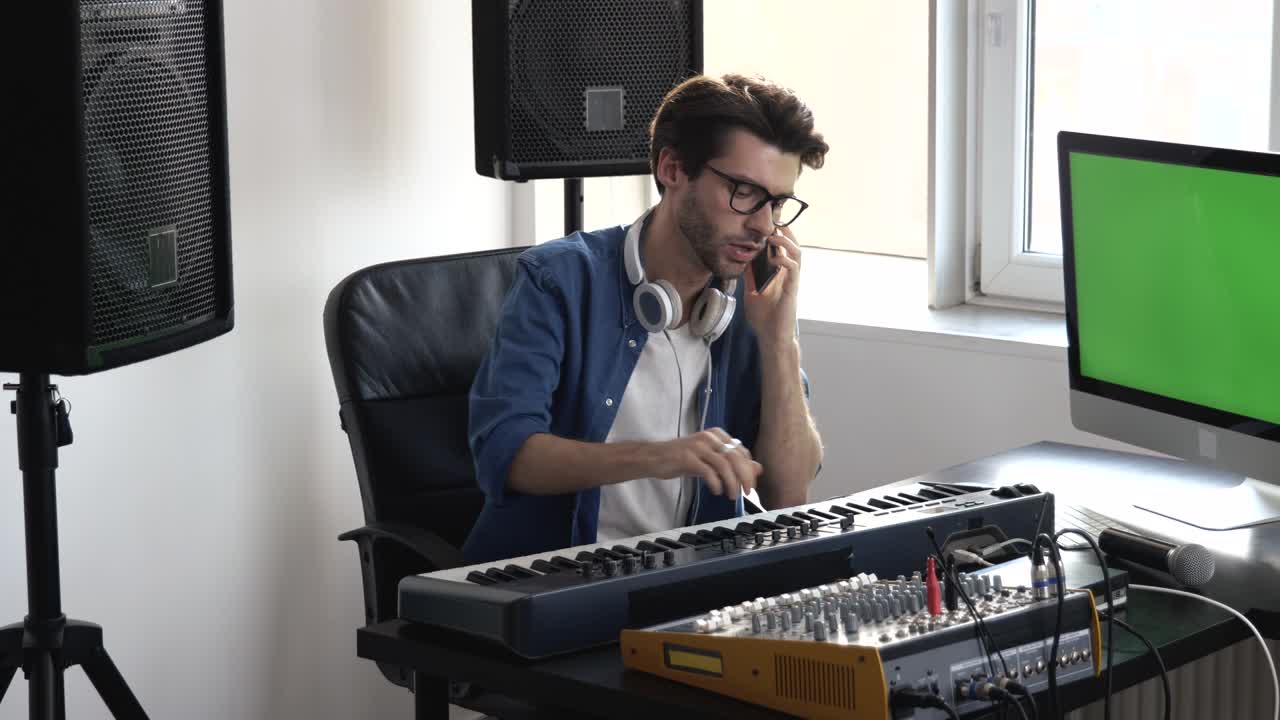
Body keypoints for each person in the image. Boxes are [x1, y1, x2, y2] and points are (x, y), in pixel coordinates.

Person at [463, 73, 827, 564]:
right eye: (743, 192)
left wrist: (780, 340)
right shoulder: (560, 280)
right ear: (673, 168)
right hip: (553, 585)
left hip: (690, 590)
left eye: (777, 202)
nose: (763, 225)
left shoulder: (752, 302)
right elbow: (505, 454)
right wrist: (659, 455)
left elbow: (789, 494)